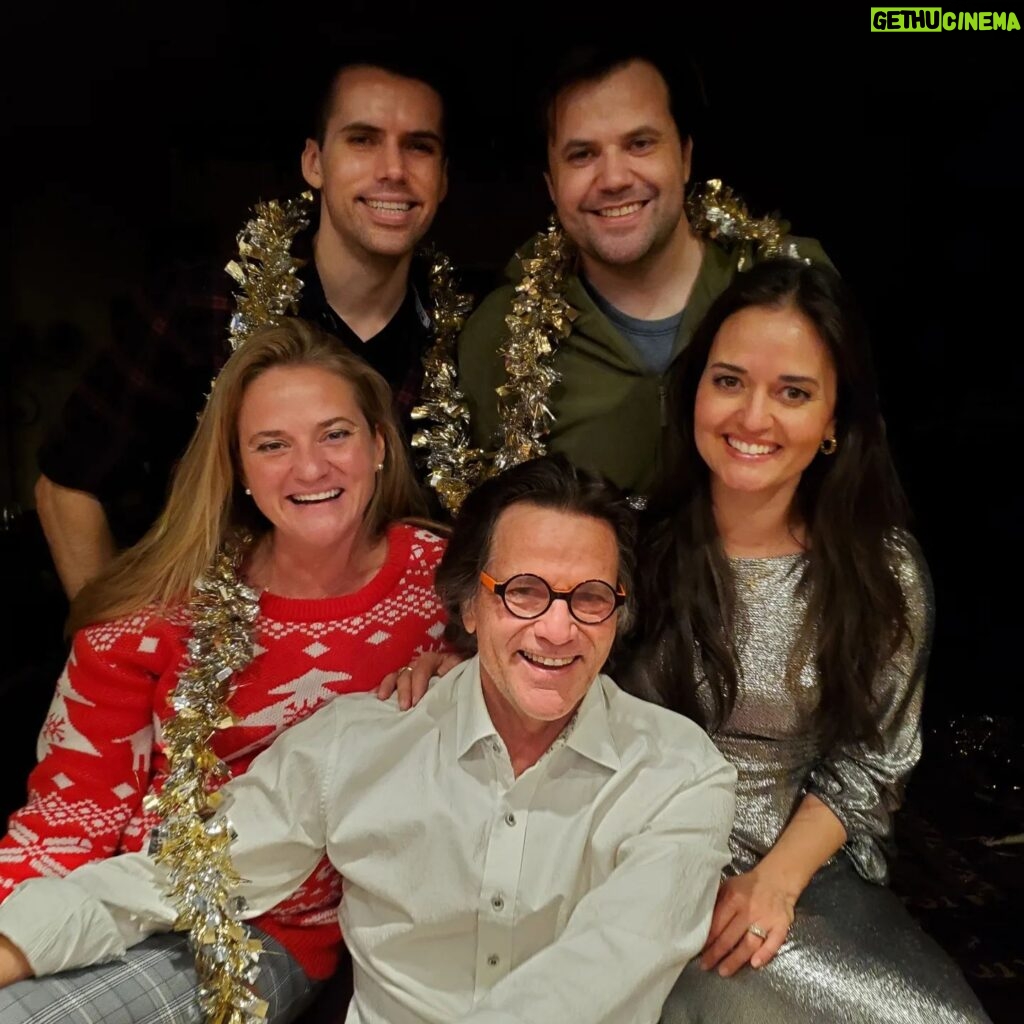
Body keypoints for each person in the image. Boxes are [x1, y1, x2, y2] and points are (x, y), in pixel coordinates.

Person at [0, 455, 736, 1024]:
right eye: (524, 591)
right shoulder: (354, 746)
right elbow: (184, 879)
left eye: (591, 598)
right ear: (469, 606)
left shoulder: (678, 774)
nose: (556, 627)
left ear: (619, 615)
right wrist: (15, 942)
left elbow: (601, 974)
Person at [0, 318, 449, 1022]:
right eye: (273, 446)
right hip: (114, 890)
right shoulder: (158, 611)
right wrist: (14, 929)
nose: (309, 468)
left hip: (261, 926)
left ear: (381, 447)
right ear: (238, 470)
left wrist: (460, 668)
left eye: (335, 434)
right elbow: (68, 815)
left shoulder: (452, 587)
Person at [618, 259, 991, 1023]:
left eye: (793, 392)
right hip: (636, 864)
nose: (753, 417)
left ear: (833, 423)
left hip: (805, 868)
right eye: (729, 381)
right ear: (693, 392)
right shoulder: (626, 544)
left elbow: (873, 761)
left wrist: (775, 884)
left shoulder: (882, 571)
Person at [34, 44, 452, 599]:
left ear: (442, 179)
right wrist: (119, 652)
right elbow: (67, 486)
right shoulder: (200, 307)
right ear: (314, 162)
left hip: (402, 665)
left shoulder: (464, 331)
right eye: (363, 139)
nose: (394, 170)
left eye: (418, 147)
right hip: (217, 654)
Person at [456, 44, 830, 496]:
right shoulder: (500, 334)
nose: (614, 178)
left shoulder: (792, 280)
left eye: (639, 143)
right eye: (582, 155)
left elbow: (856, 473)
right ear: (551, 186)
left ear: (685, 156)